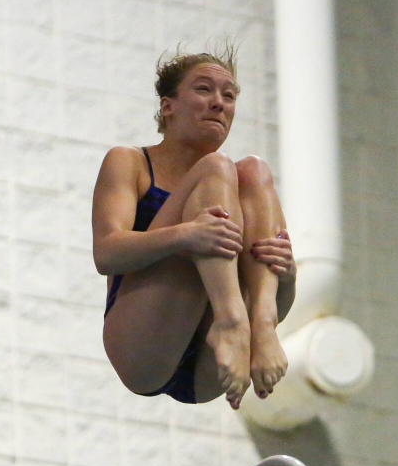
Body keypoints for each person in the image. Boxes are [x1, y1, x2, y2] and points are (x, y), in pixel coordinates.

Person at [92, 45, 296, 411]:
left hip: (209, 368)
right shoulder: (131, 162)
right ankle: (231, 320)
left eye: (229, 95)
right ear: (167, 106)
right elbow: (107, 253)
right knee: (217, 168)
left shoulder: (243, 188)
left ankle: (258, 326)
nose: (219, 102)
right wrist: (185, 235)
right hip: (141, 345)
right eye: (204, 89)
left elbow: (284, 301)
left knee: (254, 169)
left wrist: (287, 277)